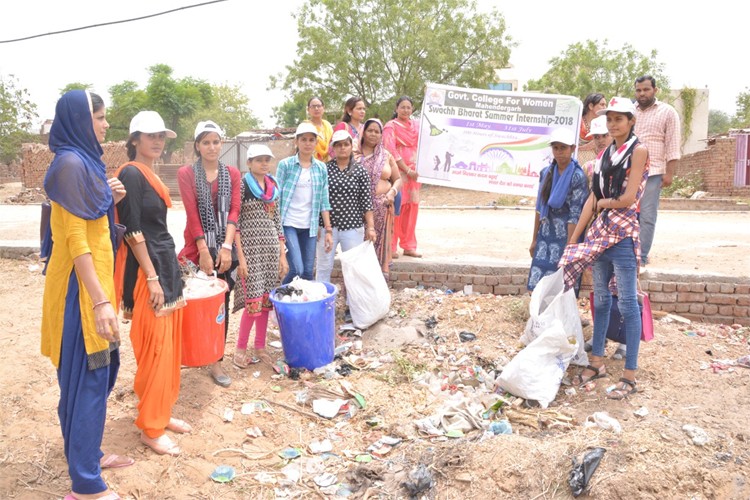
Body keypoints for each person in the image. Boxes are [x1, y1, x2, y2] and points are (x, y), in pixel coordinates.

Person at [41, 90, 128, 500]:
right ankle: (86, 485)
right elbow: (76, 240)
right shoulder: (71, 164)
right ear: (79, 119)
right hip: (80, 291)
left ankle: (85, 454)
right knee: (89, 378)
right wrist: (100, 300)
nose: (105, 125)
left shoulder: (85, 161)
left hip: (93, 285)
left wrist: (110, 198)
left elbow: (92, 222)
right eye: (99, 117)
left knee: (95, 375)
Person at [559, 96, 650, 400]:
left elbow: (628, 199)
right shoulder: (603, 158)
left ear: (630, 121)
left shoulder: (638, 151)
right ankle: (596, 362)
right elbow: (591, 199)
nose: (613, 124)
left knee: (626, 303)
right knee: (599, 301)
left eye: (618, 119)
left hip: (622, 233)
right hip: (600, 233)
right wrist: (573, 241)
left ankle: (630, 375)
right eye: (609, 119)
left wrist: (605, 203)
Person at [114, 111, 188, 456]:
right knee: (156, 347)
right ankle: (151, 427)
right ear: (134, 141)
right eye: (149, 136)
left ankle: (159, 409)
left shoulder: (149, 173)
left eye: (161, 136)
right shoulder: (130, 173)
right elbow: (131, 230)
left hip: (164, 263)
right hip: (148, 272)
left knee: (169, 345)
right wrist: (153, 277)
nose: (157, 141)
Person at [177, 120, 241, 388]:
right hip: (196, 246)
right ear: (197, 146)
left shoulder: (233, 174)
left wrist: (226, 248)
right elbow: (192, 214)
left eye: (216, 141)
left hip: (225, 247)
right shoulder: (186, 174)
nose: (212, 147)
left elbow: (234, 211)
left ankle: (216, 360)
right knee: (187, 300)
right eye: (206, 142)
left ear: (221, 144)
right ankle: (187, 353)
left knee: (219, 306)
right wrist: (203, 250)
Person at [232, 144, 289, 368]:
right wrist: (241, 258)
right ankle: (240, 349)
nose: (264, 163)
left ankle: (260, 346)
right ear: (249, 163)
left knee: (266, 303)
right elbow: (234, 223)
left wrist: (282, 256)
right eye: (258, 160)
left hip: (270, 253)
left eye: (267, 159)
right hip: (251, 253)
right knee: (252, 304)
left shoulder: (273, 186)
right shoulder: (243, 186)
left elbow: (277, 222)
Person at [527, 128, 588, 292]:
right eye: (556, 148)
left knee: (563, 285)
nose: (559, 152)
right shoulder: (546, 173)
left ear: (573, 149)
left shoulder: (577, 177)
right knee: (540, 285)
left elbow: (575, 214)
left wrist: (570, 246)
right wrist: (534, 239)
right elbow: (540, 208)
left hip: (567, 235)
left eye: (563, 148)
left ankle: (560, 318)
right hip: (546, 234)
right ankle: (541, 317)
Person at [316, 129, 376, 286]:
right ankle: (324, 304)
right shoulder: (324, 170)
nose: (342, 148)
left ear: (351, 146)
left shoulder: (360, 171)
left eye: (346, 144)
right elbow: (319, 199)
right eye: (338, 145)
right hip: (327, 227)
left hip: (352, 226)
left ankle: (353, 306)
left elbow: (366, 201)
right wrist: (317, 224)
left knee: (353, 268)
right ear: (333, 148)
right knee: (323, 266)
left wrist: (370, 227)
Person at [276, 122, 333, 283]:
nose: (308, 143)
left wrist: (328, 230)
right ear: (297, 142)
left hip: (310, 226)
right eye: (304, 140)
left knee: (308, 271)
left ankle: (303, 303)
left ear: (316, 143)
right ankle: (284, 299)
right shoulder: (286, 165)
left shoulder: (321, 168)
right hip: (289, 223)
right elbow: (277, 196)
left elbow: (324, 200)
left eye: (311, 140)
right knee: (296, 268)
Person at [634, 75, 681, 266]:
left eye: (646, 89)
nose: (642, 93)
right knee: (628, 214)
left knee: (646, 215)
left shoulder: (668, 112)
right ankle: (628, 253)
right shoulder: (630, 111)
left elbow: (672, 143)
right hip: (630, 171)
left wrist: (669, 173)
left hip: (653, 172)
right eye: (638, 90)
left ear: (655, 90)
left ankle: (641, 257)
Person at [357, 118, 402, 277]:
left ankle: (377, 283)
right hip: (358, 210)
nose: (373, 134)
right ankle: (360, 281)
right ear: (363, 132)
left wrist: (392, 193)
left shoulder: (386, 155)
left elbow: (398, 179)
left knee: (379, 245)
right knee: (360, 246)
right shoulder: (354, 154)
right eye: (370, 130)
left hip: (383, 207)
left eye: (377, 131)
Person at [383, 96, 422, 258]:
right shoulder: (390, 127)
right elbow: (390, 149)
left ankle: (408, 245)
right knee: (396, 208)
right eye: (403, 107)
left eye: (408, 107)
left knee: (412, 208)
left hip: (415, 175)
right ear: (396, 108)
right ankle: (391, 246)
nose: (406, 110)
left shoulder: (417, 126)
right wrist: (406, 169)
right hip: (398, 174)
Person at [578, 93, 607, 165]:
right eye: (602, 104)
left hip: (598, 163)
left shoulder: (606, 123)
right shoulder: (577, 122)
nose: (605, 108)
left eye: (605, 105)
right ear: (591, 106)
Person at [582, 115, 613, 181]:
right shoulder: (587, 167)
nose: (600, 141)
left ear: (613, 136)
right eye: (596, 137)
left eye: (605, 136)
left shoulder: (622, 163)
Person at [305, 97, 333, 162]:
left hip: (330, 162)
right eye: (313, 106)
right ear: (308, 109)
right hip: (311, 163)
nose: (316, 108)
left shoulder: (328, 125)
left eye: (319, 106)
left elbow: (333, 144)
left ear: (323, 108)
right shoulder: (305, 126)